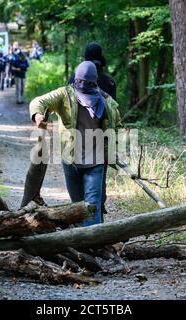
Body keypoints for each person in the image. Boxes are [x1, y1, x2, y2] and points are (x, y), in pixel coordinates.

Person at [30, 61, 122, 226]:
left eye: (86, 83)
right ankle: (86, 244)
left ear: (94, 82)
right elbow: (39, 101)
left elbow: (117, 128)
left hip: (96, 162)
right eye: (80, 81)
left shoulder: (106, 102)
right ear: (75, 80)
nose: (82, 85)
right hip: (71, 160)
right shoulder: (64, 95)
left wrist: (115, 147)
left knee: (92, 206)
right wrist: (38, 115)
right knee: (77, 207)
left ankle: (93, 243)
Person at [69, 42, 117, 219]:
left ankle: (81, 219)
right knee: (98, 183)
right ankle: (97, 215)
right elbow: (113, 112)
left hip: (77, 138)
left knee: (78, 185)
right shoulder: (109, 81)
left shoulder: (75, 78)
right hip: (101, 138)